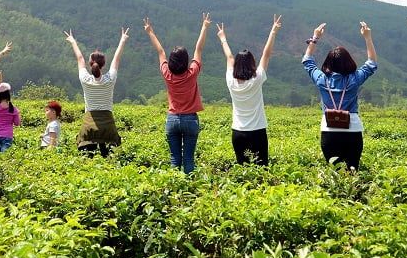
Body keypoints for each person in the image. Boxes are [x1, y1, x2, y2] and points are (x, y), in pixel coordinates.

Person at [302, 21, 378, 170]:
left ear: (328, 63)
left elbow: (307, 61)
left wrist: (315, 37)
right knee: (353, 171)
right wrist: (367, 38)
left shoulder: (321, 78)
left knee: (334, 173)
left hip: (329, 131)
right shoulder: (354, 79)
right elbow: (372, 63)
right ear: (349, 62)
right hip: (353, 130)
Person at [144, 13, 210, 174]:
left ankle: (175, 192)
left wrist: (150, 31)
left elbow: (160, 52)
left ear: (171, 62)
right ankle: (189, 193)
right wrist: (204, 26)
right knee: (189, 159)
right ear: (186, 61)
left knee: (175, 159)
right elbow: (198, 49)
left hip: (172, 119)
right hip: (190, 119)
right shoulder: (192, 72)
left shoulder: (167, 74)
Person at [216, 15, 282, 166]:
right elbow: (266, 54)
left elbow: (229, 57)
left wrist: (222, 38)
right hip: (258, 131)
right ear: (252, 63)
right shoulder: (256, 79)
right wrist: (273, 31)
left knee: (242, 170)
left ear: (236, 65)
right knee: (262, 169)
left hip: (238, 132)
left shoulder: (231, 81)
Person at [65, 27, 129, 157]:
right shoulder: (110, 79)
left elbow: (79, 59)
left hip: (90, 125)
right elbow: (116, 59)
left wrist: (72, 41)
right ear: (103, 65)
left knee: (88, 159)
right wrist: (122, 40)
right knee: (110, 158)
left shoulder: (85, 79)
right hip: (108, 125)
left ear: (90, 64)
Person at [0, 71, 21, 152]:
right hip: (7, 136)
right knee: (5, 158)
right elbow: (17, 123)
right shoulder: (13, 109)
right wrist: (18, 115)